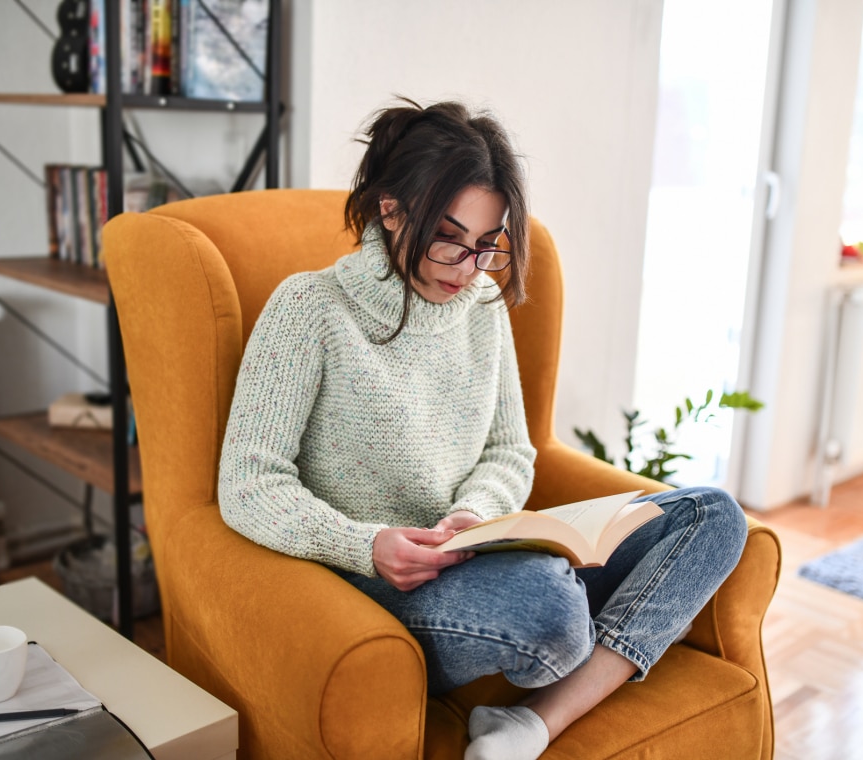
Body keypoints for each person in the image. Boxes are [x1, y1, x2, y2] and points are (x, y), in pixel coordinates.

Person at [218, 98, 748, 760]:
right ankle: (560, 636)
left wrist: (476, 512)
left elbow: (509, 453)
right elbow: (247, 481)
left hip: (481, 559)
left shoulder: (480, 309)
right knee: (551, 615)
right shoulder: (309, 309)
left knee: (714, 516)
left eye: (486, 245)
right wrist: (367, 544)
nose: (467, 267)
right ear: (390, 208)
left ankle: (529, 724)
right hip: (378, 588)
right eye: (448, 237)